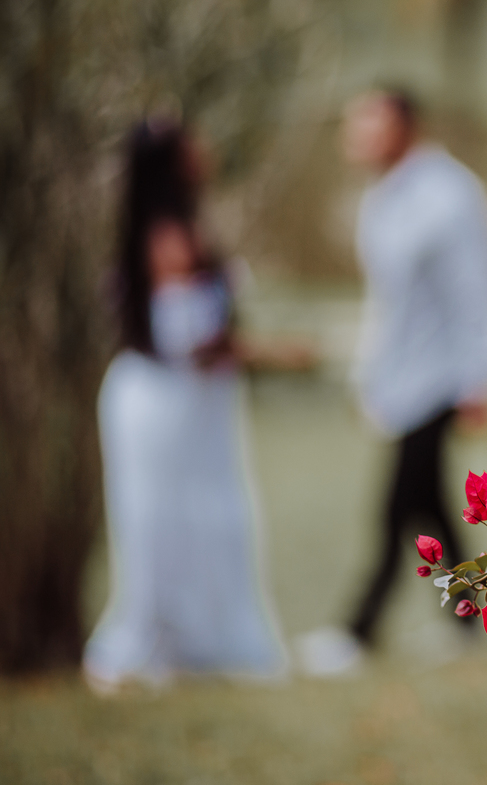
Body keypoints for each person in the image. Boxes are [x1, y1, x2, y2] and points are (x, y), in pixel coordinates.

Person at [84, 119, 300, 692]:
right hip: (165, 401)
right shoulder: (168, 239)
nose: (205, 148)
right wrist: (276, 355)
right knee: (170, 518)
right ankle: (165, 637)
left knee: (206, 515)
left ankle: (201, 638)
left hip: (189, 402)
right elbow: (189, 341)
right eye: (191, 143)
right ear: (174, 162)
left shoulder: (177, 229)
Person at [297, 89, 487, 675]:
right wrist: (372, 377)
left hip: (442, 377)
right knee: (429, 506)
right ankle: (471, 619)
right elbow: (389, 301)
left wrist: (479, 378)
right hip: (405, 376)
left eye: (369, 124)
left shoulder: (447, 193)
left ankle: (357, 633)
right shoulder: (381, 197)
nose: (356, 137)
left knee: (394, 509)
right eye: (352, 125)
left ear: (404, 127)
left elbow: (475, 289)